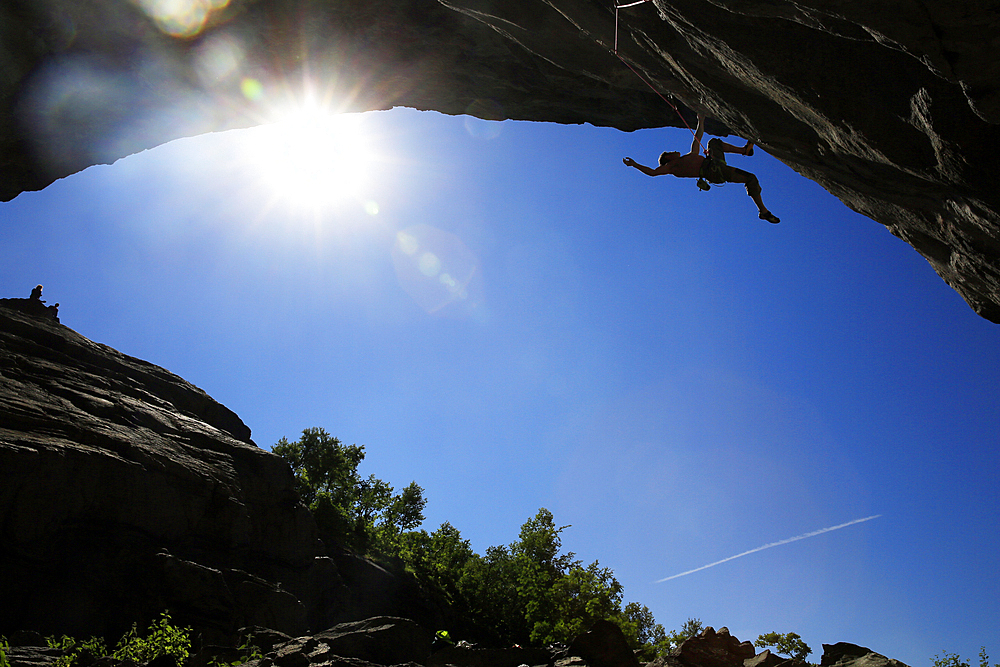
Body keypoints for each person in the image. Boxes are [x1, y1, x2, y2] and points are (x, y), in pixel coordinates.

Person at [622, 113, 780, 223]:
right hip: (713, 170)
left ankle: (763, 211)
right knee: (714, 145)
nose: (673, 151)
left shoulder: (689, 156)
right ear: (668, 158)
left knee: (749, 177)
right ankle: (743, 152)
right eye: (670, 152)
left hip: (715, 170)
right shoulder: (673, 166)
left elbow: (697, 137)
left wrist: (701, 120)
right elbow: (652, 172)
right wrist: (634, 164)